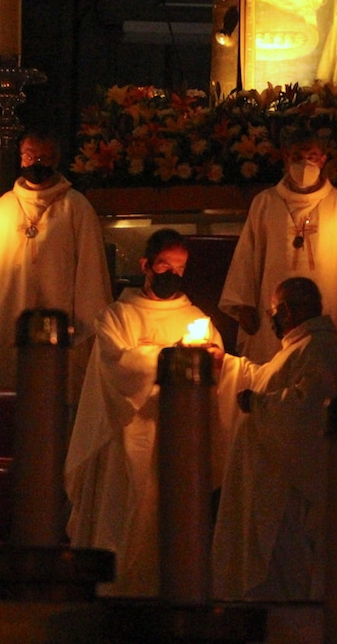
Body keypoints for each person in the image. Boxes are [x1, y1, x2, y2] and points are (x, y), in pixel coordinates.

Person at [64, 229, 228, 596]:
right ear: (146, 265)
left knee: (169, 528)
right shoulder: (117, 317)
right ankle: (115, 595)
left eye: (180, 268)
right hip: (126, 438)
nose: (173, 273)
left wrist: (212, 362)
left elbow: (214, 372)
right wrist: (174, 356)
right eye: (165, 265)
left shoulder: (197, 318)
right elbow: (117, 366)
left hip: (178, 440)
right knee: (124, 522)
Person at [212, 276, 337, 601]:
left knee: (283, 581)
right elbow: (263, 379)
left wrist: (257, 404)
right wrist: (227, 364)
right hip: (273, 487)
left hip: (288, 495)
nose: (273, 318)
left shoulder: (320, 347)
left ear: (285, 311)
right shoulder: (301, 348)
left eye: (273, 311)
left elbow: (312, 408)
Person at [0, 130, 112, 397]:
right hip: (10, 318)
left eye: (43, 157)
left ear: (55, 160)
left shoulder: (76, 208)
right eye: (30, 156)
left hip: (61, 323)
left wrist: (84, 322)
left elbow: (91, 272)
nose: (36, 162)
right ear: (20, 159)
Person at [219, 127, 337, 377]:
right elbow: (247, 258)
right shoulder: (265, 203)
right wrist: (244, 306)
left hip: (328, 310)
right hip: (273, 311)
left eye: (312, 156)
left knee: (321, 377)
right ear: (285, 157)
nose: (305, 163)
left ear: (324, 159)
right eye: (298, 157)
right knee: (272, 377)